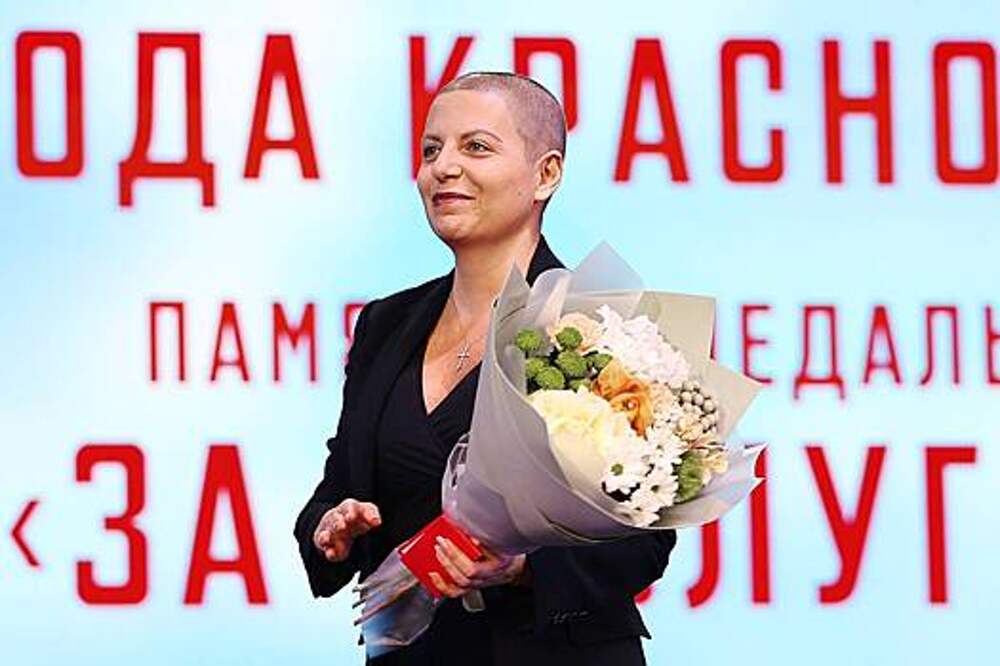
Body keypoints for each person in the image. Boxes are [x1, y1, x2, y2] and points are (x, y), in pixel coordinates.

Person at [294, 71, 677, 665]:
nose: (443, 168)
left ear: (546, 174)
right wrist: (332, 526)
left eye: (475, 147)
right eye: (431, 150)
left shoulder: (599, 326)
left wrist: (523, 568)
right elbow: (338, 489)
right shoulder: (386, 324)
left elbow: (645, 538)